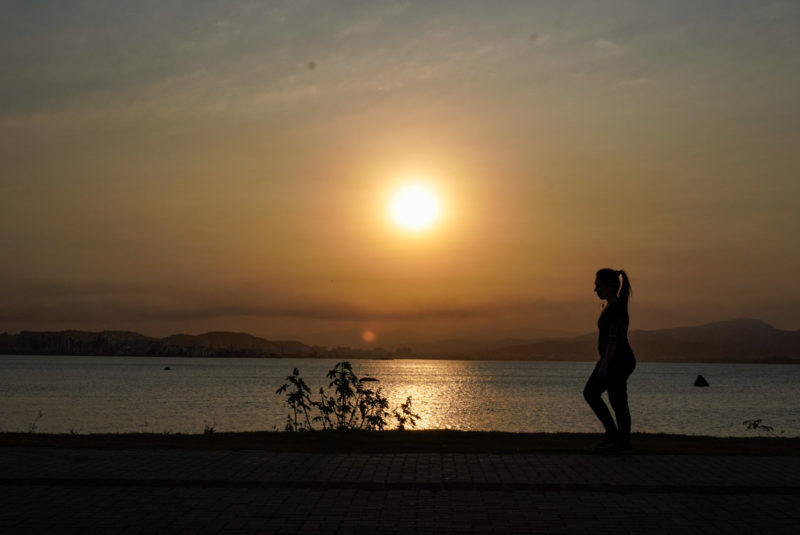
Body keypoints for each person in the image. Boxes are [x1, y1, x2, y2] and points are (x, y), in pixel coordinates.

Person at [583, 268, 636, 453]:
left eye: (598, 285)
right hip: (611, 359)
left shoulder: (617, 310)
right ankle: (614, 436)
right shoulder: (613, 306)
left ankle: (621, 442)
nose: (595, 290)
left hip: (618, 361)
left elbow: (614, 340)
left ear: (609, 286)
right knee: (594, 394)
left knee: (616, 399)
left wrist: (604, 366)